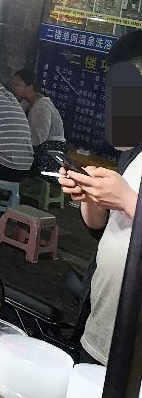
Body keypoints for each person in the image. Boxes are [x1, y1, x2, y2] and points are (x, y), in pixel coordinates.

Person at [60, 31, 142, 365]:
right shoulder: (133, 153)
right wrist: (90, 196)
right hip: (101, 330)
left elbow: (128, 206)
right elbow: (102, 229)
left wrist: (126, 200)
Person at [12, 67, 66, 172]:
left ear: (30, 88)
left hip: (51, 152)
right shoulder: (25, 103)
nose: (14, 88)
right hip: (36, 148)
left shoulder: (42, 107)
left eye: (17, 85)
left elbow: (38, 139)